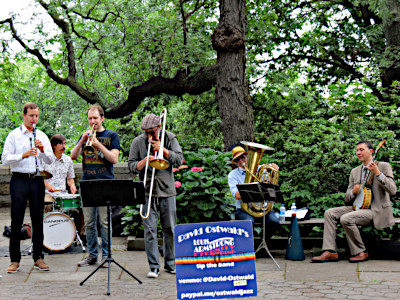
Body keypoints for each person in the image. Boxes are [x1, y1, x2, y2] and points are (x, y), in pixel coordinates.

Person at [312, 140, 397, 263]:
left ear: (371, 151)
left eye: (361, 150)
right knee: (330, 213)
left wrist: (378, 173)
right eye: (357, 150)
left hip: (375, 210)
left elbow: (393, 190)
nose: (358, 152)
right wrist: (354, 192)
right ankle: (330, 251)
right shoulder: (355, 171)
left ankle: (360, 251)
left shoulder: (383, 166)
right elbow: (348, 198)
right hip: (358, 208)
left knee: (346, 218)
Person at [128, 113, 183, 278]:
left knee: (170, 229)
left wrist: (164, 151)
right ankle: (153, 266)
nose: (148, 135)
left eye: (151, 131)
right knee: (150, 230)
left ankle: (170, 263)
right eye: (145, 132)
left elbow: (179, 160)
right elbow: (131, 166)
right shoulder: (138, 142)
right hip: (146, 191)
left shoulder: (170, 138)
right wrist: (144, 161)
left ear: (159, 127)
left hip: (167, 190)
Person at [2, 102, 54, 273]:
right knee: (16, 220)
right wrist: (23, 155)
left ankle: (38, 258)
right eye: (31, 116)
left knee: (38, 219)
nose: (34, 119)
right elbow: (5, 159)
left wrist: (42, 150)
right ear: (24, 115)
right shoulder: (14, 136)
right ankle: (14, 260)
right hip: (19, 180)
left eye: (37, 116)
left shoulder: (42, 135)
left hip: (37, 180)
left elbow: (50, 160)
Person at [71, 104, 121, 268]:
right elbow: (73, 156)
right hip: (87, 183)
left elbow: (114, 159)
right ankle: (92, 255)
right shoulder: (84, 135)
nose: (92, 121)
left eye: (95, 118)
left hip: (105, 182)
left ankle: (106, 256)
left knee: (105, 222)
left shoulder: (111, 135)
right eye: (90, 118)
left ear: (102, 118)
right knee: (90, 223)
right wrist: (82, 142)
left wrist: (98, 145)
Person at [228, 145, 280, 225]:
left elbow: (270, 189)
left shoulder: (262, 169)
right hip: (243, 210)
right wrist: (256, 188)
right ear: (235, 163)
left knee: (274, 222)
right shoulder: (233, 175)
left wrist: (274, 173)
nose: (241, 161)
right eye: (237, 160)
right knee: (249, 222)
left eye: (243, 157)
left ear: (248, 156)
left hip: (262, 208)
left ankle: (265, 238)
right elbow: (237, 195)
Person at [42, 134, 77, 213]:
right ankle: (46, 225)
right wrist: (48, 185)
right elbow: (38, 178)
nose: (63, 146)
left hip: (63, 193)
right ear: (54, 145)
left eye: (64, 143)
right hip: (48, 193)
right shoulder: (45, 159)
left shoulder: (68, 160)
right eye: (61, 144)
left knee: (75, 208)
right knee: (49, 204)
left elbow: (70, 178)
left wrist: (72, 185)